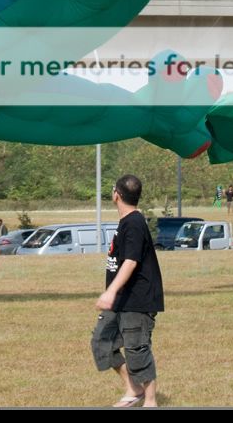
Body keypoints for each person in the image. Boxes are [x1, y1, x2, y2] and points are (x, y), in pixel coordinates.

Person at [90, 175, 163, 409]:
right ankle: (133, 388)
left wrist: (110, 291)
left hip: (136, 300)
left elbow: (130, 262)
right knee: (102, 341)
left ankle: (150, 401)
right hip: (121, 299)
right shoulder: (127, 222)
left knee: (137, 349)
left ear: (116, 195)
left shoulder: (134, 222)